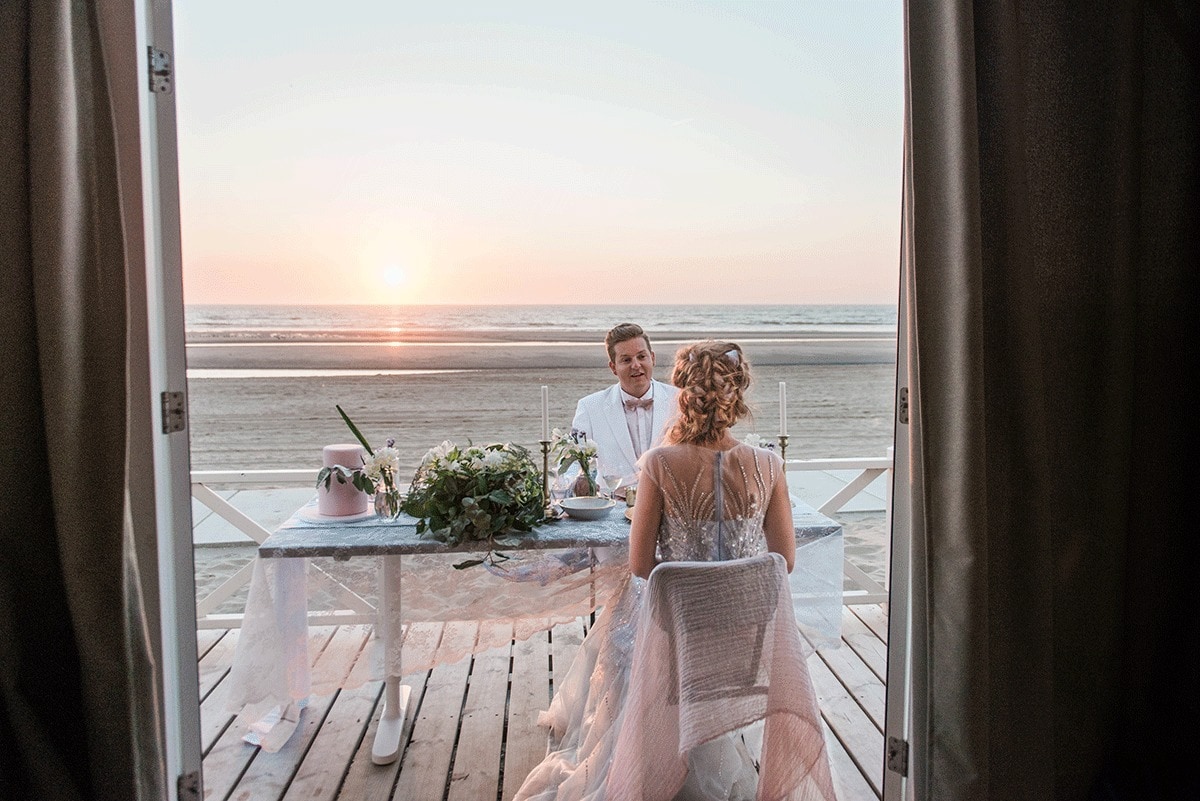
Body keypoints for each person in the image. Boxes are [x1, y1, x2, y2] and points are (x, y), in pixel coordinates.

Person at [514, 340, 835, 801]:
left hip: (676, 634)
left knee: (617, 631)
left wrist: (685, 583)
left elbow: (641, 564)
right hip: (742, 635)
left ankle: (644, 751)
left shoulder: (659, 464)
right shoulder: (769, 465)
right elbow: (783, 560)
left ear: (682, 394)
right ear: (737, 394)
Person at [570, 323, 679, 492]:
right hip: (612, 503)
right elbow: (571, 463)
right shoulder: (590, 407)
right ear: (613, 367)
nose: (636, 365)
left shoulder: (679, 401)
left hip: (669, 502)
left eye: (641, 357)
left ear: (652, 358)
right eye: (626, 360)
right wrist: (578, 481)